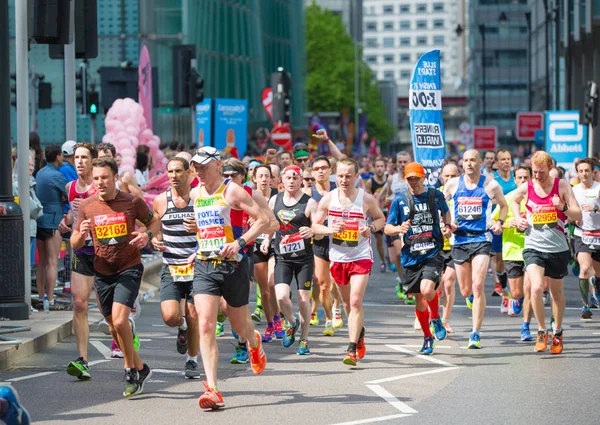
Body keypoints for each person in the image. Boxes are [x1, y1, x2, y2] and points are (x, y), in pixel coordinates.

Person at [71, 157, 160, 396]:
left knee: (121, 322)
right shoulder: (87, 206)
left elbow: (154, 223)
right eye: (96, 178)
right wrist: (82, 234)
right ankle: (141, 368)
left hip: (129, 267)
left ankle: (130, 369)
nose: (100, 182)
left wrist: (147, 237)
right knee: (112, 327)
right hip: (102, 271)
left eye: (104, 178)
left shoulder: (131, 201)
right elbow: (74, 241)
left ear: (115, 178)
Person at [188, 147, 268, 410]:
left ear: (218, 165)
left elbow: (263, 220)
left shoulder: (231, 190)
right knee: (206, 325)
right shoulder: (195, 193)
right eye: (195, 166)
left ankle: (253, 342)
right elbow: (205, 228)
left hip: (233, 265)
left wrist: (240, 242)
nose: (198, 171)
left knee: (239, 325)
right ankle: (212, 388)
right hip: (204, 265)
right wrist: (196, 248)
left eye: (202, 166)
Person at [312, 158, 385, 366]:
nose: (344, 180)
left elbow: (381, 220)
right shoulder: (327, 199)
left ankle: (351, 348)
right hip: (338, 257)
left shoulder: (366, 199)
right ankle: (359, 332)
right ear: (336, 176)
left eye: (348, 176)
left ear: (356, 177)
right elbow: (315, 226)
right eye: (341, 176)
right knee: (346, 304)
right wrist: (330, 230)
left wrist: (369, 229)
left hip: (360, 256)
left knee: (355, 301)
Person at [511, 151, 582, 354]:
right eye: (534, 172)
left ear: (550, 168)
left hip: (558, 248)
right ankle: (541, 331)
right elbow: (515, 201)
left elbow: (578, 214)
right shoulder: (528, 186)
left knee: (556, 294)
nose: (537, 176)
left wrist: (564, 207)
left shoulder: (562, 186)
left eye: (541, 172)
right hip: (533, 246)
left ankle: (557, 332)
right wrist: (518, 218)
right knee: (535, 288)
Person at [385, 162, 452, 355]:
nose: (413, 182)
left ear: (424, 178)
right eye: (410, 179)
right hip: (411, 256)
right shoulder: (400, 200)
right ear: (405, 180)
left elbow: (445, 211)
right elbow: (388, 227)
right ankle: (427, 337)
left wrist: (447, 226)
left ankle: (436, 318)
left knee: (427, 289)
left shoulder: (434, 195)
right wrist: (399, 229)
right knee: (419, 301)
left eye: (417, 178)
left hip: (433, 252)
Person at [443, 149, 507, 349]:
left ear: (481, 162)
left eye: (473, 160)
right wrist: (445, 224)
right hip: (459, 240)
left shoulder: (491, 185)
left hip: (482, 239)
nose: (469, 163)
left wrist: (499, 222)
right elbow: (441, 206)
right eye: (466, 160)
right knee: (465, 290)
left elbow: (504, 206)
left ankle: (475, 333)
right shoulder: (453, 184)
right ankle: (469, 297)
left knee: (478, 285)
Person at [151, 156, 201, 379]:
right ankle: (181, 329)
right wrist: (155, 239)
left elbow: (214, 227)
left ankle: (192, 360)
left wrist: (199, 227)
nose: (173, 176)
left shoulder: (199, 198)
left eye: (178, 171)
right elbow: (155, 227)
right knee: (171, 316)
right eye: (170, 172)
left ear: (189, 173)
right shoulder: (161, 200)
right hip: (171, 265)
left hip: (197, 265)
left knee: (193, 314)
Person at [267, 165, 318, 354]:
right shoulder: (275, 200)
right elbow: (271, 224)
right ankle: (291, 322)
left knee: (304, 300)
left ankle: (304, 339)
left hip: (304, 258)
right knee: (280, 296)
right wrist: (266, 240)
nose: (291, 181)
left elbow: (319, 230)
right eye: (288, 177)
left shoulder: (309, 203)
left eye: (295, 178)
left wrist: (312, 230)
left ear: (301, 180)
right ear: (281, 179)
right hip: (283, 257)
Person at [60, 143, 99, 380]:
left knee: (109, 314)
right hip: (83, 251)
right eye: (77, 157)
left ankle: (126, 337)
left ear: (93, 160)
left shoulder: (101, 184)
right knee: (80, 303)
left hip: (105, 252)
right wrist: (67, 222)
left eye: (84, 157)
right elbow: (74, 215)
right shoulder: (70, 187)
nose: (80, 161)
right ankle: (83, 360)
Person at [492, 163, 535, 340]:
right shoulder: (508, 198)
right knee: (517, 292)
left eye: (526, 177)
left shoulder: (536, 198)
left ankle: (526, 326)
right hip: (512, 250)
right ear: (515, 179)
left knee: (531, 288)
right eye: (520, 177)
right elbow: (495, 223)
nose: (523, 180)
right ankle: (517, 298)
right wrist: (507, 223)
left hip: (533, 249)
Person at [35, 144, 68, 310]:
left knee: (42, 262)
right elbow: (70, 195)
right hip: (54, 220)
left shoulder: (39, 173)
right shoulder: (57, 176)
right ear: (57, 157)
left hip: (39, 220)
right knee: (53, 261)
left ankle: (41, 299)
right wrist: (62, 198)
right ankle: (51, 300)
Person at [571, 158, 600, 319]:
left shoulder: (598, 188)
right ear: (578, 173)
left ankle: (596, 284)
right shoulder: (574, 190)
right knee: (584, 268)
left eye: (587, 170)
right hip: (582, 233)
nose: (584, 173)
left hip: (598, 234)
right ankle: (585, 305)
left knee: (597, 273)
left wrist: (595, 208)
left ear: (592, 172)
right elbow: (568, 208)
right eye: (581, 171)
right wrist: (572, 216)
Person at [492, 149, 517, 303]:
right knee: (500, 260)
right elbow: (487, 201)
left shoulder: (517, 179)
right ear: (496, 163)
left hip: (517, 223)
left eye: (508, 159)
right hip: (500, 222)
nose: (506, 162)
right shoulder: (492, 181)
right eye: (503, 159)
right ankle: (505, 288)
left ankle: (516, 292)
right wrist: (502, 202)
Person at [438, 163, 459, 333]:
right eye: (447, 176)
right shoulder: (436, 194)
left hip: (455, 245)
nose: (450, 179)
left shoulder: (463, 193)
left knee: (449, 281)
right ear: (441, 177)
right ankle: (425, 315)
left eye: (453, 176)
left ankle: (445, 320)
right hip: (436, 245)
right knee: (434, 285)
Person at [365, 157, 388, 272]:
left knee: (391, 237)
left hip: (388, 212)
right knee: (379, 239)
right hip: (377, 213)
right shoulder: (370, 182)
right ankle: (383, 260)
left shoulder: (389, 180)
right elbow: (368, 199)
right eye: (377, 166)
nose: (379, 169)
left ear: (385, 168)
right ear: (374, 168)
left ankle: (390, 256)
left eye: (381, 166)